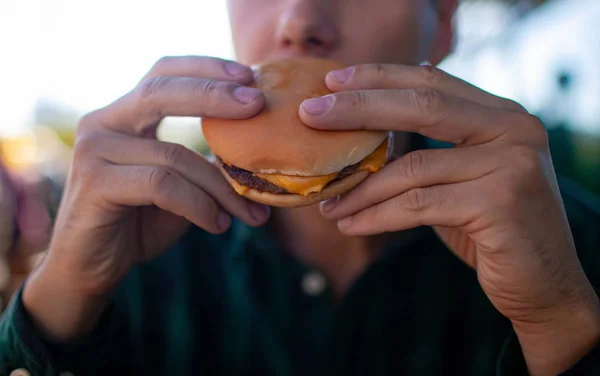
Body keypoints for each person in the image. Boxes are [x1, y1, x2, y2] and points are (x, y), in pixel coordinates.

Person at [1, 0, 599, 375]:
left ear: (441, 22)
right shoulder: (135, 250)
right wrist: (58, 306)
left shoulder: (572, 250)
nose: (299, 22)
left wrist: (559, 330)